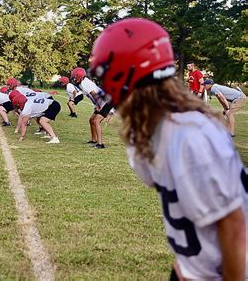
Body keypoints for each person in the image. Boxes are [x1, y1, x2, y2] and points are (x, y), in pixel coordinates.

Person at [90, 17, 247, 280]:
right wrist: (186, 265)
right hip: (194, 268)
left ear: (126, 74)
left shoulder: (188, 135)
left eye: (107, 75)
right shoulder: (151, 128)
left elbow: (233, 227)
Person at [70, 67, 112, 149]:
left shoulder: (84, 83)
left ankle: (100, 144)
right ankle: (94, 140)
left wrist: (99, 106)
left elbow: (94, 94)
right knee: (91, 120)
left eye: (75, 77)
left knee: (96, 121)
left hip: (105, 102)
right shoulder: (84, 82)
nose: (74, 79)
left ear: (79, 76)